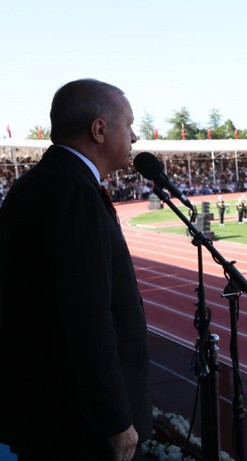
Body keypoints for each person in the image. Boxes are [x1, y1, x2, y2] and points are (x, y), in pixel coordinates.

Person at [0, 79, 151, 461]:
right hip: (77, 424)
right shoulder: (72, 191)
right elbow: (84, 317)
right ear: (99, 130)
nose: (134, 136)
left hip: (51, 409)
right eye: (128, 125)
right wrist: (115, 420)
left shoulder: (49, 183)